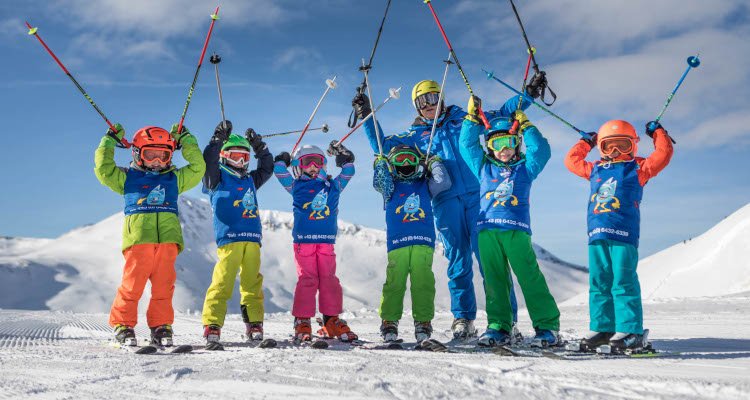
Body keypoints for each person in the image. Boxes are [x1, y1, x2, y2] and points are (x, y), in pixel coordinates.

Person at [354, 80, 536, 339]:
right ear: (416, 107)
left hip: (480, 197)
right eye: (422, 101)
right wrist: (366, 114)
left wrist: (527, 94)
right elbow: (382, 145)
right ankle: (463, 318)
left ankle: (506, 320)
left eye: (432, 98)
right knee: (458, 260)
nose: (429, 105)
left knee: (490, 260)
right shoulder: (415, 136)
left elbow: (504, 113)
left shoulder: (466, 118)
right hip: (445, 202)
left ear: (441, 97)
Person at [564, 120, 674, 352]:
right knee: (599, 283)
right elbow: (571, 162)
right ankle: (603, 328)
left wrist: (658, 133)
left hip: (624, 235)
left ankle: (631, 330)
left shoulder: (638, 168)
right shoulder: (595, 169)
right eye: (608, 146)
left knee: (623, 282)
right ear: (601, 148)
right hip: (596, 235)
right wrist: (586, 143)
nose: (615, 152)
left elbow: (663, 154)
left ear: (633, 146)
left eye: (622, 146)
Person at [460, 99, 561, 347]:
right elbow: (466, 144)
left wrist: (526, 126)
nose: (504, 149)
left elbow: (542, 151)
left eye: (509, 142)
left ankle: (547, 326)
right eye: (497, 143)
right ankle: (499, 325)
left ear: (517, 144)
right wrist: (472, 119)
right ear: (489, 147)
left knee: (529, 277)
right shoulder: (483, 168)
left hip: (516, 231)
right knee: (494, 280)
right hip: (487, 231)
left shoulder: (525, 169)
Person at [94, 123, 205, 347]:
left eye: (164, 156)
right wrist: (108, 142)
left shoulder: (174, 178)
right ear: (137, 154)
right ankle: (123, 325)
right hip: (139, 241)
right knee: (132, 284)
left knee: (164, 287)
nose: (157, 161)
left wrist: (187, 141)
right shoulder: (128, 178)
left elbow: (197, 168)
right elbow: (104, 170)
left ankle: (161, 326)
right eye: (151, 154)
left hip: (168, 241)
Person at [273, 141, 358, 342]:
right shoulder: (296, 186)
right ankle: (302, 320)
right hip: (304, 243)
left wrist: (344, 156)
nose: (313, 166)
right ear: (298, 165)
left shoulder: (332, 187)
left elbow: (349, 171)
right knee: (308, 280)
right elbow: (279, 172)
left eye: (318, 161)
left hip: (326, 243)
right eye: (307, 161)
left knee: (329, 280)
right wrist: (282, 160)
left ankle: (331, 320)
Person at [200, 121, 273, 347]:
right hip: (229, 238)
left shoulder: (249, 179)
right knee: (222, 282)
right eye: (235, 156)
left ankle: (254, 324)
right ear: (223, 156)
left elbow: (267, 169)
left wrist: (259, 147)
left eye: (244, 157)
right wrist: (217, 139)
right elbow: (208, 160)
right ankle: (212, 324)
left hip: (252, 240)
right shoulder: (216, 178)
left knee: (252, 283)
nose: (240, 162)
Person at [374, 144, 452, 343]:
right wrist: (380, 165)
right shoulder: (390, 187)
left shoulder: (424, 185)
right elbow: (379, 182)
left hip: (422, 242)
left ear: (418, 162)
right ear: (393, 164)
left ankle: (423, 322)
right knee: (395, 283)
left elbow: (443, 182)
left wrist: (434, 161)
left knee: (423, 283)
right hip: (398, 243)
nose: (406, 163)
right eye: (400, 160)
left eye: (410, 158)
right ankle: (389, 321)